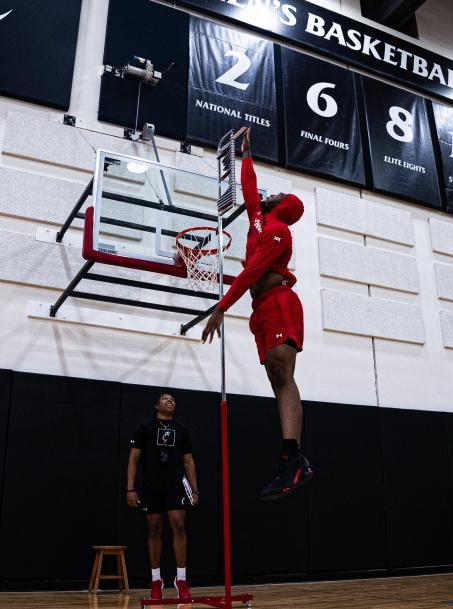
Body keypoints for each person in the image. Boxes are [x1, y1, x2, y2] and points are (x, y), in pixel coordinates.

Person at [201, 128, 313, 501]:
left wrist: (220, 307)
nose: (271, 193)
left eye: (278, 194)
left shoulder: (279, 231)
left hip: (280, 302)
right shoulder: (258, 222)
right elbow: (250, 188)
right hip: (260, 309)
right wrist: (246, 154)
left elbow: (251, 273)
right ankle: (289, 458)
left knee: (282, 375)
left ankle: (292, 457)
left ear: (285, 205)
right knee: (274, 380)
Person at [126, 393, 198, 602]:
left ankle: (181, 579)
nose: (170, 401)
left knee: (178, 525)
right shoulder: (144, 428)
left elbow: (189, 462)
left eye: (173, 399)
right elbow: (133, 459)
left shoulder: (182, 430)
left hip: (175, 486)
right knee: (154, 528)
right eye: (165, 398)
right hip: (151, 487)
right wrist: (130, 489)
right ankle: (156, 580)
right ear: (157, 405)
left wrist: (194, 490)